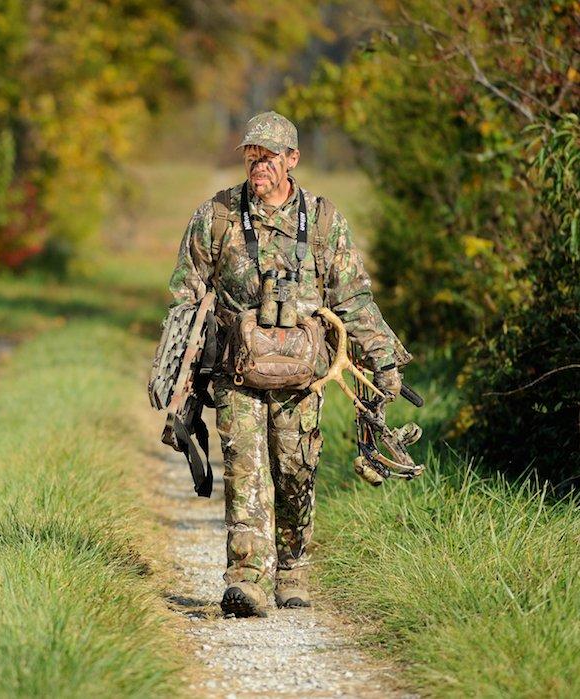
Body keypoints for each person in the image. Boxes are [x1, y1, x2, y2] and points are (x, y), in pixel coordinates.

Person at [167, 111, 412, 617]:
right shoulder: (217, 216)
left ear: (292, 159)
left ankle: (293, 570)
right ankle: (246, 579)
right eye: (252, 156)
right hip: (236, 372)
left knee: (297, 471)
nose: (258, 166)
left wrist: (385, 363)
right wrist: (173, 368)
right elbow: (185, 296)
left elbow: (354, 300)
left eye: (269, 157)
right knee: (243, 470)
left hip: (304, 377)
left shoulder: (323, 221)